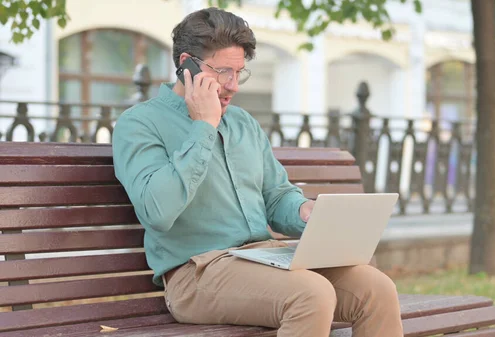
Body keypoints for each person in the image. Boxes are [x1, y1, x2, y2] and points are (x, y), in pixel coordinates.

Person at [112, 7, 403, 337]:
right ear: (186, 65)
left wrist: (305, 211)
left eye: (240, 73)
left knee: (376, 288)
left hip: (265, 259)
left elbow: (276, 196)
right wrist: (203, 127)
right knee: (311, 293)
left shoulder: (243, 124)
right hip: (196, 274)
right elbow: (157, 212)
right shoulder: (140, 124)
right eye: (223, 72)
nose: (233, 86)